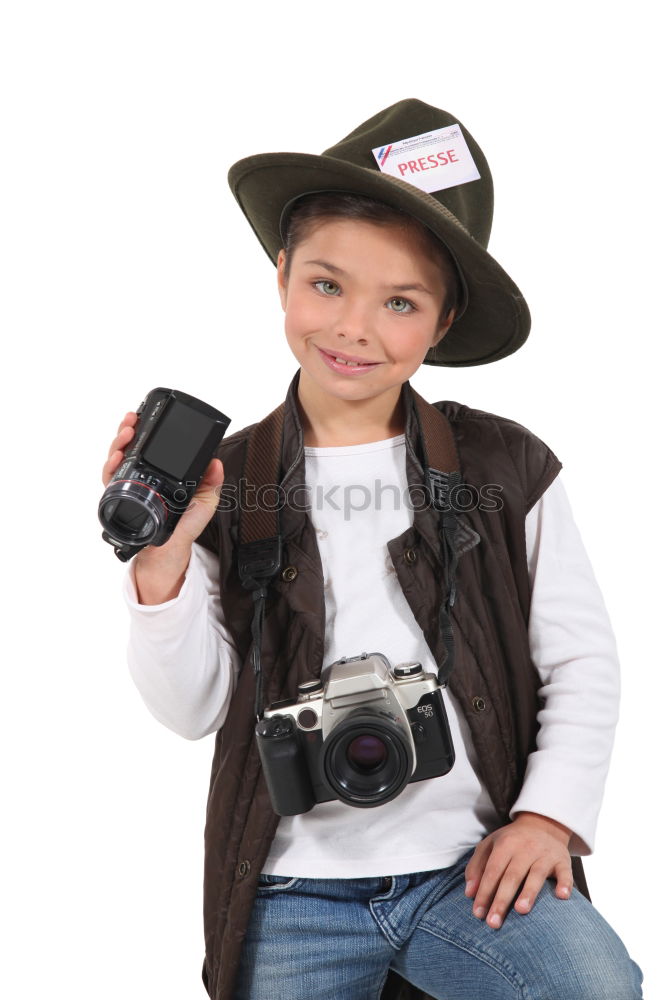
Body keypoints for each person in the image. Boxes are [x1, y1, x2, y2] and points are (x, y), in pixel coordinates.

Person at [102, 100, 644, 999]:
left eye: (399, 302)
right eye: (327, 284)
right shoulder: (221, 483)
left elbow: (583, 659)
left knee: (594, 986)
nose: (353, 327)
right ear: (281, 277)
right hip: (287, 883)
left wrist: (550, 818)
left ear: (442, 322)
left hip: (469, 869)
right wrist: (160, 565)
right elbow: (193, 709)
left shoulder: (506, 466)